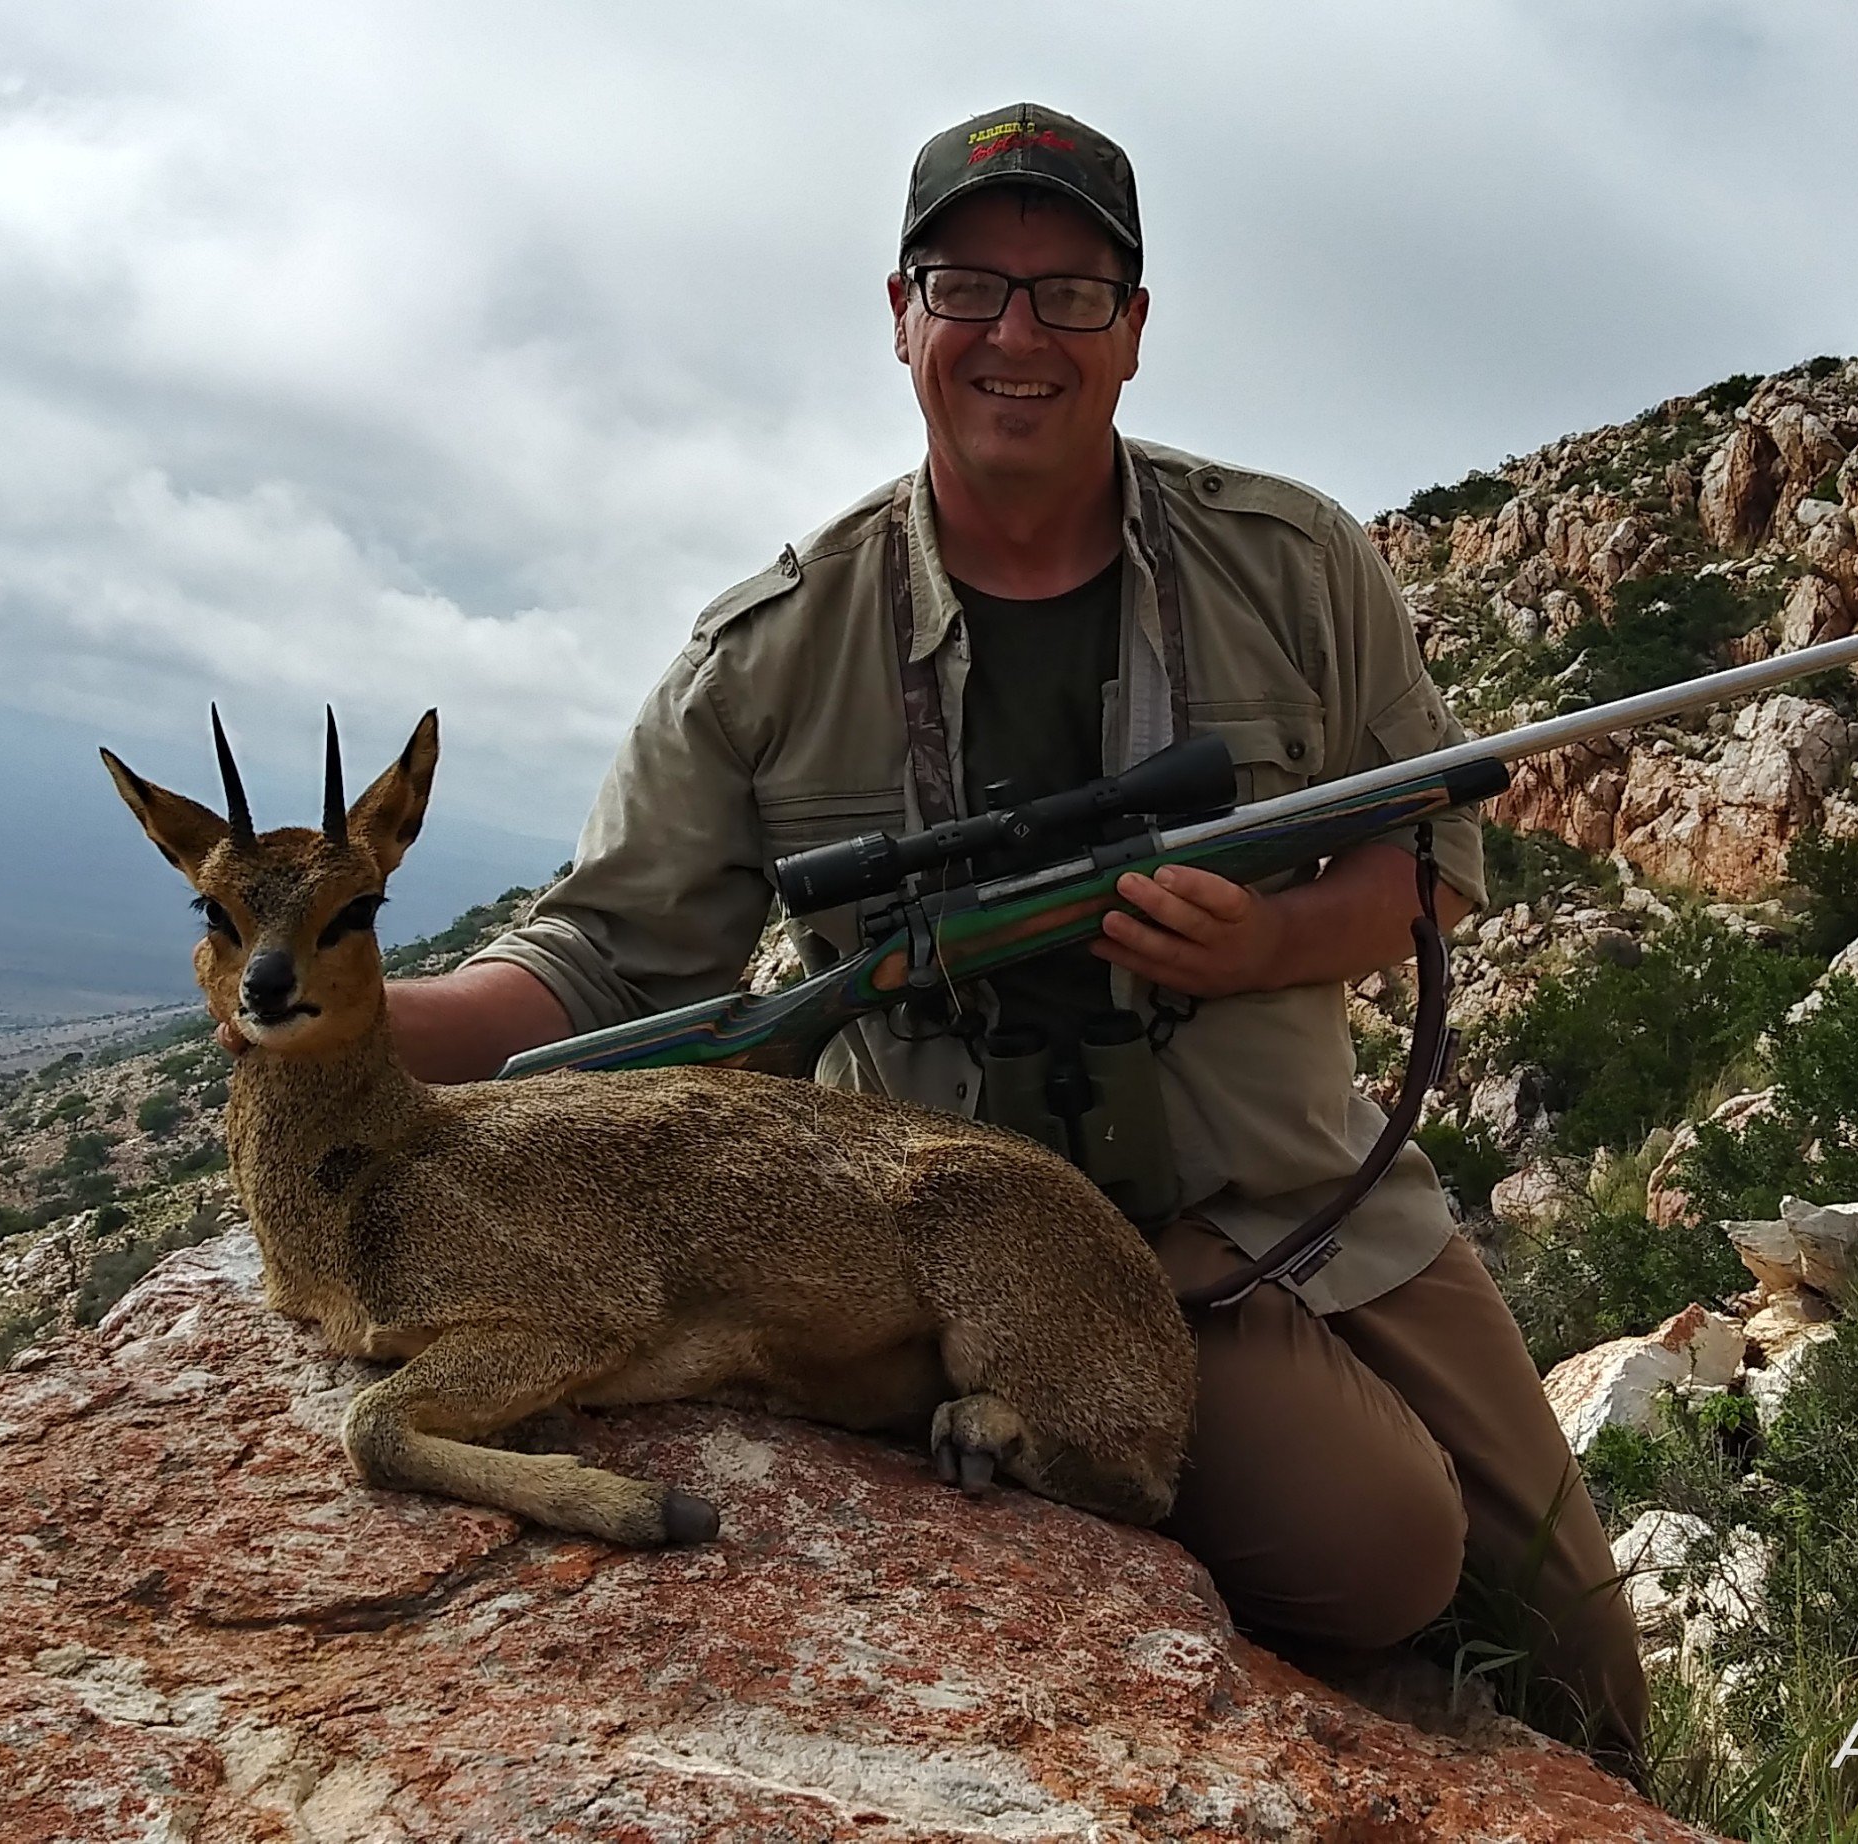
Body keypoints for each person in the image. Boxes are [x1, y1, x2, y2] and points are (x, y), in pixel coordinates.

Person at [382, 104, 1648, 1773]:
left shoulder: (1293, 562)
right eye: (969, 287)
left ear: (1132, 328)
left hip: (1304, 1188)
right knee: (1379, 1551)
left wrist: (1263, 942)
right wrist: (350, 1021)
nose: (1015, 335)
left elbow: (1434, 862)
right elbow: (609, 965)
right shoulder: (770, 651)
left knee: (1583, 1640)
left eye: (1069, 295)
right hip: (985, 1262)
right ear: (899, 316)